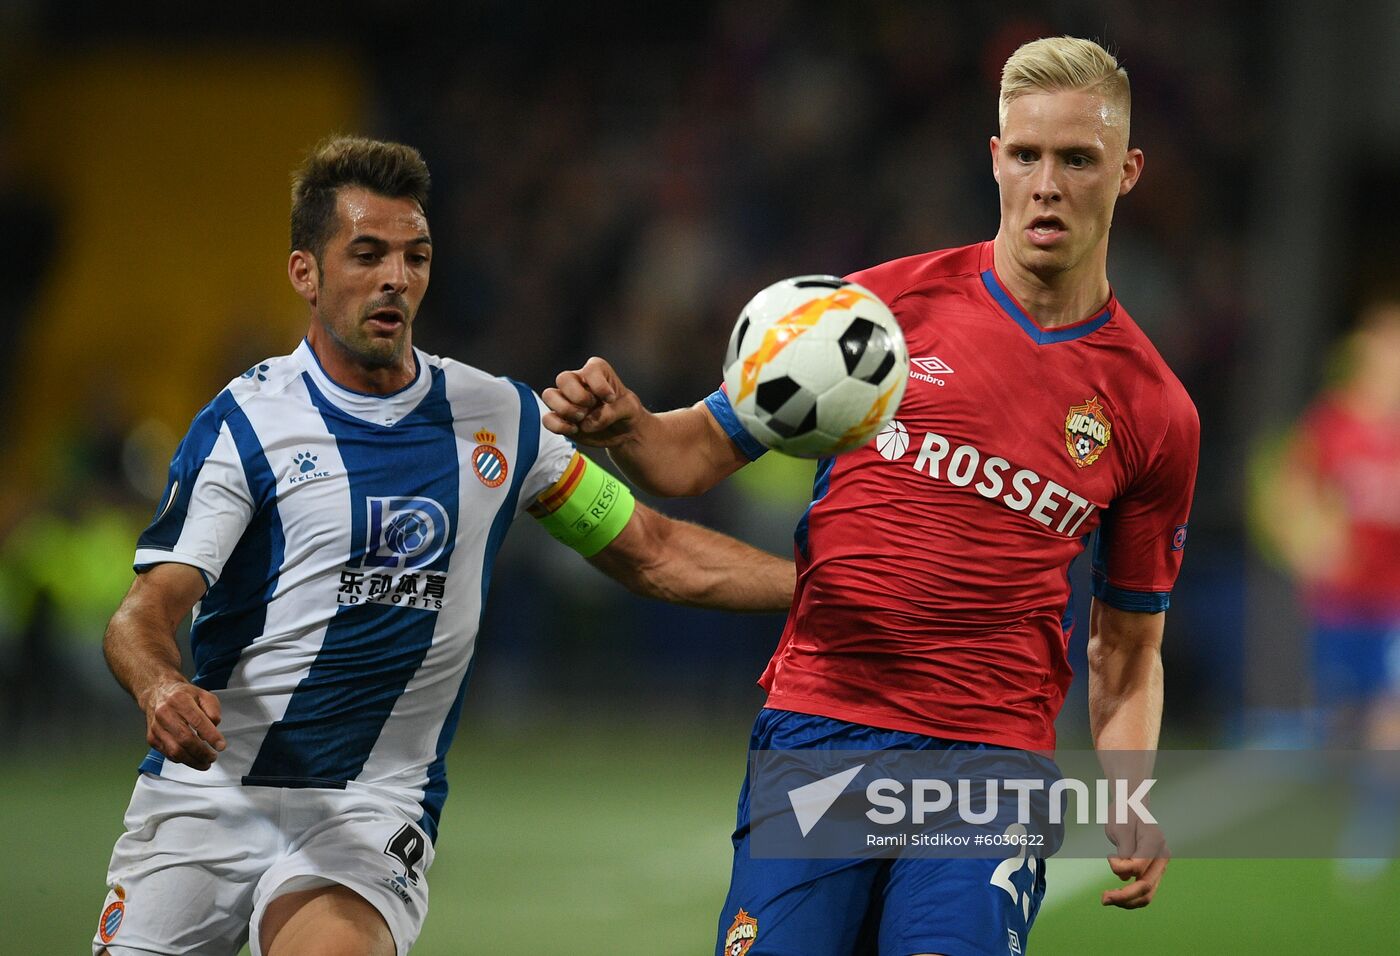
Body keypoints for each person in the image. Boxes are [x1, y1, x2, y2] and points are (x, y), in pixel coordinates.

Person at [544, 36, 1199, 955]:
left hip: (988, 761)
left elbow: (1126, 649)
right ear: (995, 159)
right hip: (823, 730)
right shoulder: (869, 313)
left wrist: (1130, 795)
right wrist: (626, 424)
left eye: (1078, 160)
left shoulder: (1154, 410)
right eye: (1026, 155)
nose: (1047, 185)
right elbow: (687, 458)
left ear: (1126, 172)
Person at [93, 136, 795, 956]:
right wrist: (160, 686)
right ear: (305, 274)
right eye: (367, 255)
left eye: (415, 256)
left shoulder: (502, 420)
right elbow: (145, 610)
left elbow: (654, 552)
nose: (396, 277)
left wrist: (829, 584)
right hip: (209, 793)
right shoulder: (245, 426)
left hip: (368, 806)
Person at [1255, 300, 1400, 876]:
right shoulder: (1333, 423)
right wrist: (1306, 543)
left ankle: (1375, 821)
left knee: (1390, 710)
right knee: (1342, 717)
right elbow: (1288, 488)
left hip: (1393, 600)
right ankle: (1329, 765)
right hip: (1341, 600)